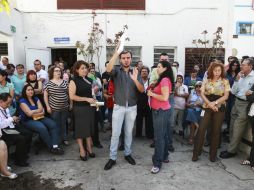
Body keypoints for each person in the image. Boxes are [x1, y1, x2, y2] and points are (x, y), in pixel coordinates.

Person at [104, 48, 144, 170]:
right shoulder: (116, 70)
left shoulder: (136, 72)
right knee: (115, 134)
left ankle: (127, 154)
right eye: (123, 58)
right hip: (118, 107)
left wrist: (135, 80)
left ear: (131, 59)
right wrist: (116, 53)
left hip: (132, 108)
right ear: (120, 60)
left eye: (128, 58)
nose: (126, 60)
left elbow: (142, 90)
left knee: (128, 133)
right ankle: (112, 158)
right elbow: (108, 69)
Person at [192, 60, 230, 162]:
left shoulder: (225, 81)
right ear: (211, 70)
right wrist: (210, 104)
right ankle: (196, 153)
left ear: (221, 71)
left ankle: (212, 156)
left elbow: (226, 96)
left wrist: (215, 103)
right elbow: (202, 93)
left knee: (216, 131)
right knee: (201, 129)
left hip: (219, 108)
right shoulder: (206, 80)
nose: (217, 72)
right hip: (206, 106)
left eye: (219, 70)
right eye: (215, 70)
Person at [220, 58, 254, 159]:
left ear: (250, 66)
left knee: (238, 128)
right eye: (241, 64)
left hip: (246, 104)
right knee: (231, 126)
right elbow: (233, 91)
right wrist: (236, 79)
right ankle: (232, 147)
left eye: (243, 65)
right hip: (236, 102)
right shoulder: (240, 76)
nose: (241, 66)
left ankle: (231, 151)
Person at [19, 84, 64, 155]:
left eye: (31, 90)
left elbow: (42, 111)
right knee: (42, 128)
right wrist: (37, 110)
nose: (31, 91)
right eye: (28, 90)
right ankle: (51, 148)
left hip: (40, 117)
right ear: (25, 91)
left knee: (53, 124)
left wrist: (34, 112)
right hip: (28, 120)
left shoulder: (36, 98)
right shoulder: (22, 101)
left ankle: (55, 146)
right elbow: (29, 114)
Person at [147, 60, 174, 174]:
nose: (157, 68)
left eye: (159, 67)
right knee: (163, 135)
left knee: (159, 137)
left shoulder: (164, 80)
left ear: (165, 69)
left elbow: (164, 97)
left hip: (160, 111)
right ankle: (165, 156)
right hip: (161, 111)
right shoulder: (163, 80)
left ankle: (157, 163)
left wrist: (151, 94)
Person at [69, 61, 96, 161]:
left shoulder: (89, 79)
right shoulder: (73, 80)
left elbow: (91, 93)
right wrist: (86, 99)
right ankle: (82, 149)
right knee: (80, 130)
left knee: (88, 128)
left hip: (90, 107)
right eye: (82, 68)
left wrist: (93, 98)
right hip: (79, 108)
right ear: (77, 70)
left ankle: (89, 147)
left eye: (86, 68)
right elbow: (72, 96)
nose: (85, 70)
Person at [150, 53, 176, 152]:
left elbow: (174, 83)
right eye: (161, 59)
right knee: (157, 122)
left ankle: (169, 144)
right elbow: (152, 83)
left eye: (165, 59)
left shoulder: (173, 70)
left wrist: (159, 84)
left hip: (169, 97)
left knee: (170, 122)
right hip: (159, 98)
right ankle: (158, 141)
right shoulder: (155, 70)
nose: (163, 60)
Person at [0, 93, 31, 167]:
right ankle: (20, 161)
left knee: (28, 134)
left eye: (10, 103)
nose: (9, 105)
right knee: (20, 138)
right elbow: (1, 125)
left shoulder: (5, 107)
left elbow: (7, 118)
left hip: (9, 127)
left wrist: (14, 120)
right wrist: (11, 119)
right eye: (7, 103)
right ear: (1, 101)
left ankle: (21, 154)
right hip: (2, 131)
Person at [44, 66, 69, 146]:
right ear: (52, 72)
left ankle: (64, 138)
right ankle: (57, 140)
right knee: (56, 125)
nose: (58, 72)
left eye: (59, 71)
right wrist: (47, 107)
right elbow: (45, 96)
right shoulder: (48, 83)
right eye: (56, 71)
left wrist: (71, 103)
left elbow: (69, 94)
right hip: (54, 108)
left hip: (65, 107)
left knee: (64, 123)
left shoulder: (65, 82)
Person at [136, 66, 153, 138]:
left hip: (149, 103)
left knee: (149, 120)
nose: (144, 73)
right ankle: (138, 134)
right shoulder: (137, 81)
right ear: (140, 73)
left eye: (146, 71)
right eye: (142, 71)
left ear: (148, 73)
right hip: (139, 102)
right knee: (138, 119)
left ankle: (149, 134)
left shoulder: (151, 81)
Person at [240, 83, 254, 171]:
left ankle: (251, 160)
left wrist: (251, 93)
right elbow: (249, 97)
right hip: (252, 114)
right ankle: (251, 161)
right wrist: (250, 94)